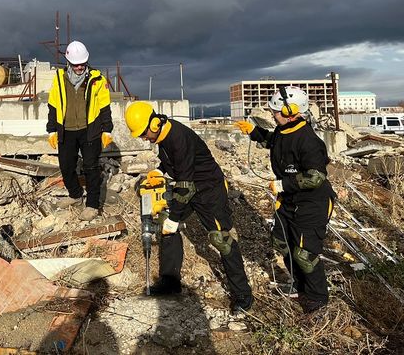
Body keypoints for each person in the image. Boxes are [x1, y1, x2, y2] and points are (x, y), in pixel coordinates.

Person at [125, 101, 253, 313]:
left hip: (209, 190)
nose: (142, 138)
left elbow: (185, 185)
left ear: (154, 124)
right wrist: (158, 171)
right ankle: (170, 282)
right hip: (190, 187)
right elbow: (173, 165)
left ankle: (243, 297)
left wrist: (176, 219)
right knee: (165, 222)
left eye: (143, 133)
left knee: (222, 240)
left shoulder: (178, 138)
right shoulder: (163, 136)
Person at [235, 86, 336, 313]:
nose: (272, 114)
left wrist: (283, 184)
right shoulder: (284, 130)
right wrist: (253, 131)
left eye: (276, 111)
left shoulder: (308, 140)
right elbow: (273, 141)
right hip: (290, 201)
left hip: (313, 203)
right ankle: (300, 286)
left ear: (291, 111)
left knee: (305, 253)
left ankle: (318, 299)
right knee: (282, 242)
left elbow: (316, 176)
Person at [46, 41, 113, 221]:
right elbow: (53, 105)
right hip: (66, 130)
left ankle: (92, 205)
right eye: (76, 64)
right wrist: (52, 129)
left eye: (82, 63)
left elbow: (105, 106)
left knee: (91, 167)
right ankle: (75, 195)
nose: (79, 67)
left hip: (89, 129)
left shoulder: (97, 79)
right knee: (66, 166)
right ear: (68, 62)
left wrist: (107, 129)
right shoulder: (59, 79)